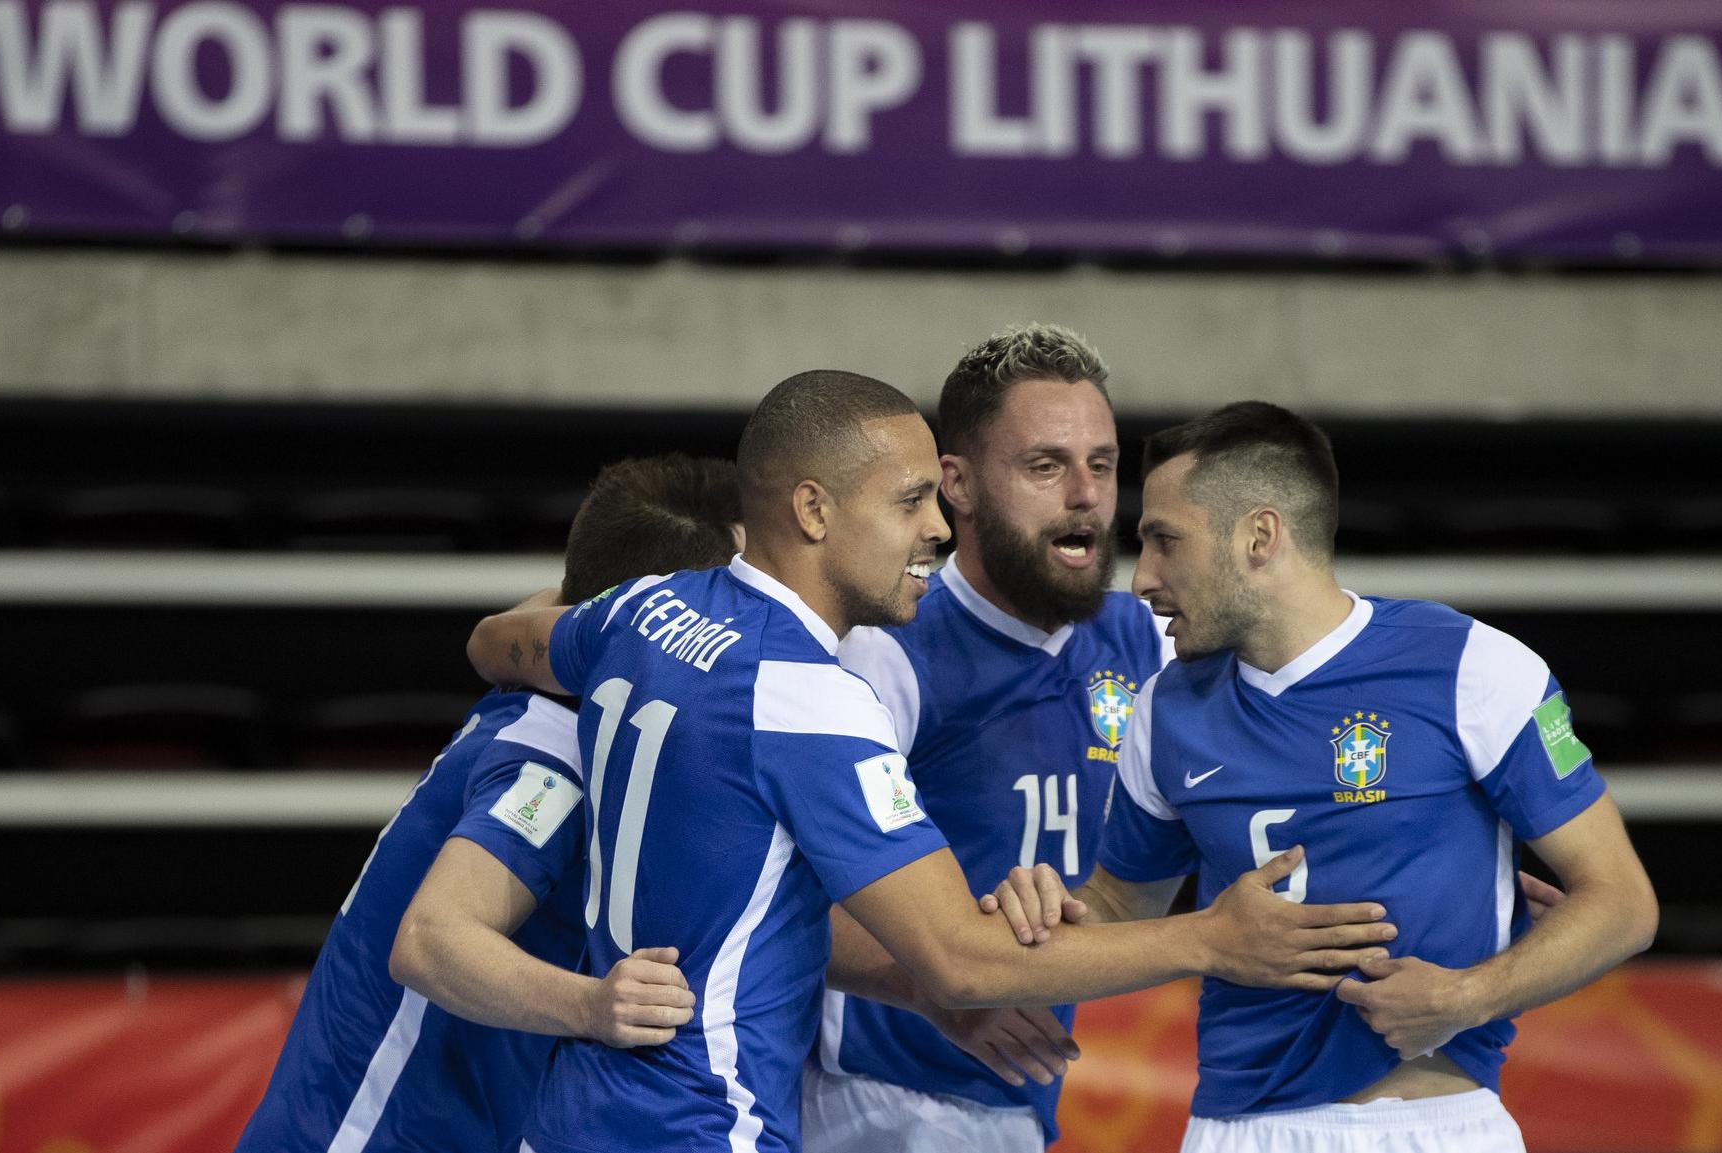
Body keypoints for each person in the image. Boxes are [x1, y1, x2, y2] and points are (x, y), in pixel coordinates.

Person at [460, 371, 1372, 1153]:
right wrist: (1210, 939)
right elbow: (958, 962)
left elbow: (502, 644)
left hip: (576, 1111)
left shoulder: (645, 612)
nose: (937, 527)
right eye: (909, 501)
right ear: (813, 509)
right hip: (712, 1116)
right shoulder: (811, 697)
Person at [986, 401, 1659, 1153]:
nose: (1141, 578)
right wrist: (1039, 916)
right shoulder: (1163, 708)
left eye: (1163, 541)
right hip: (1237, 1129)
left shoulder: (1473, 666)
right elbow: (1116, 905)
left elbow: (1623, 901)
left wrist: (1466, 998)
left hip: (1434, 1124)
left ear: (1259, 536)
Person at [811, 326, 1398, 1153]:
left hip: (1016, 1093)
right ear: (960, 484)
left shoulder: (1154, 642)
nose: (1084, 493)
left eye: (1102, 462)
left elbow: (1299, 770)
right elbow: (786, 892)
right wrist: (934, 988)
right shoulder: (886, 650)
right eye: (1044, 466)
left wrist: (1436, 839)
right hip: (871, 1093)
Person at [234, 453, 740, 1153]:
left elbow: (540, 606)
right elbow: (429, 939)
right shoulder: (558, 754)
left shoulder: (560, 675)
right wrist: (593, 1005)